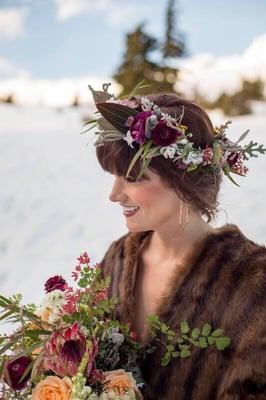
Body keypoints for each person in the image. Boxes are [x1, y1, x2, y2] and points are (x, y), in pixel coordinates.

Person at [88, 84, 266, 400]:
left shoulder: (252, 281)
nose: (114, 194)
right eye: (114, 176)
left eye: (131, 177)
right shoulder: (116, 259)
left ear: (181, 179)